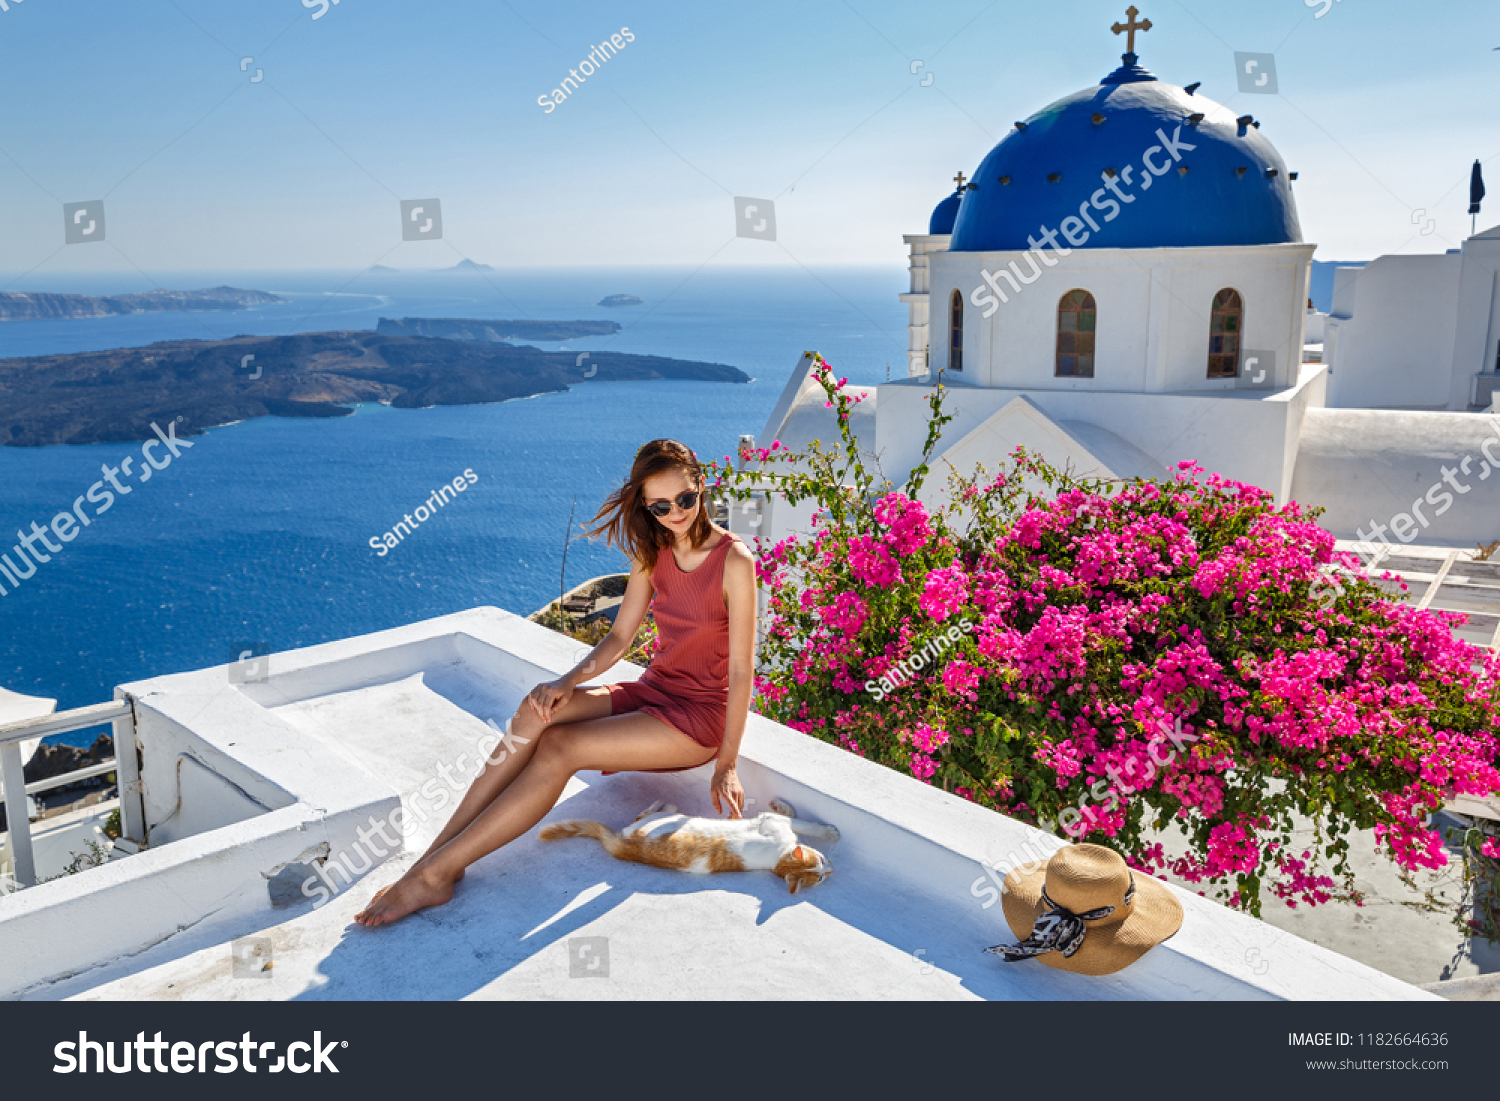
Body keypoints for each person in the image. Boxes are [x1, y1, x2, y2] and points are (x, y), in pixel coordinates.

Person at [355, 439, 758, 926]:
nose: (675, 513)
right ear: (646, 506)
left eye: (686, 500)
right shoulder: (654, 555)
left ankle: (433, 874)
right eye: (660, 506)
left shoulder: (735, 562)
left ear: (701, 487)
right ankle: (435, 863)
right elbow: (619, 637)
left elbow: (741, 671)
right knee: (536, 710)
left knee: (561, 747)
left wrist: (728, 764)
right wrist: (567, 682)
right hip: (653, 691)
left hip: (697, 719)